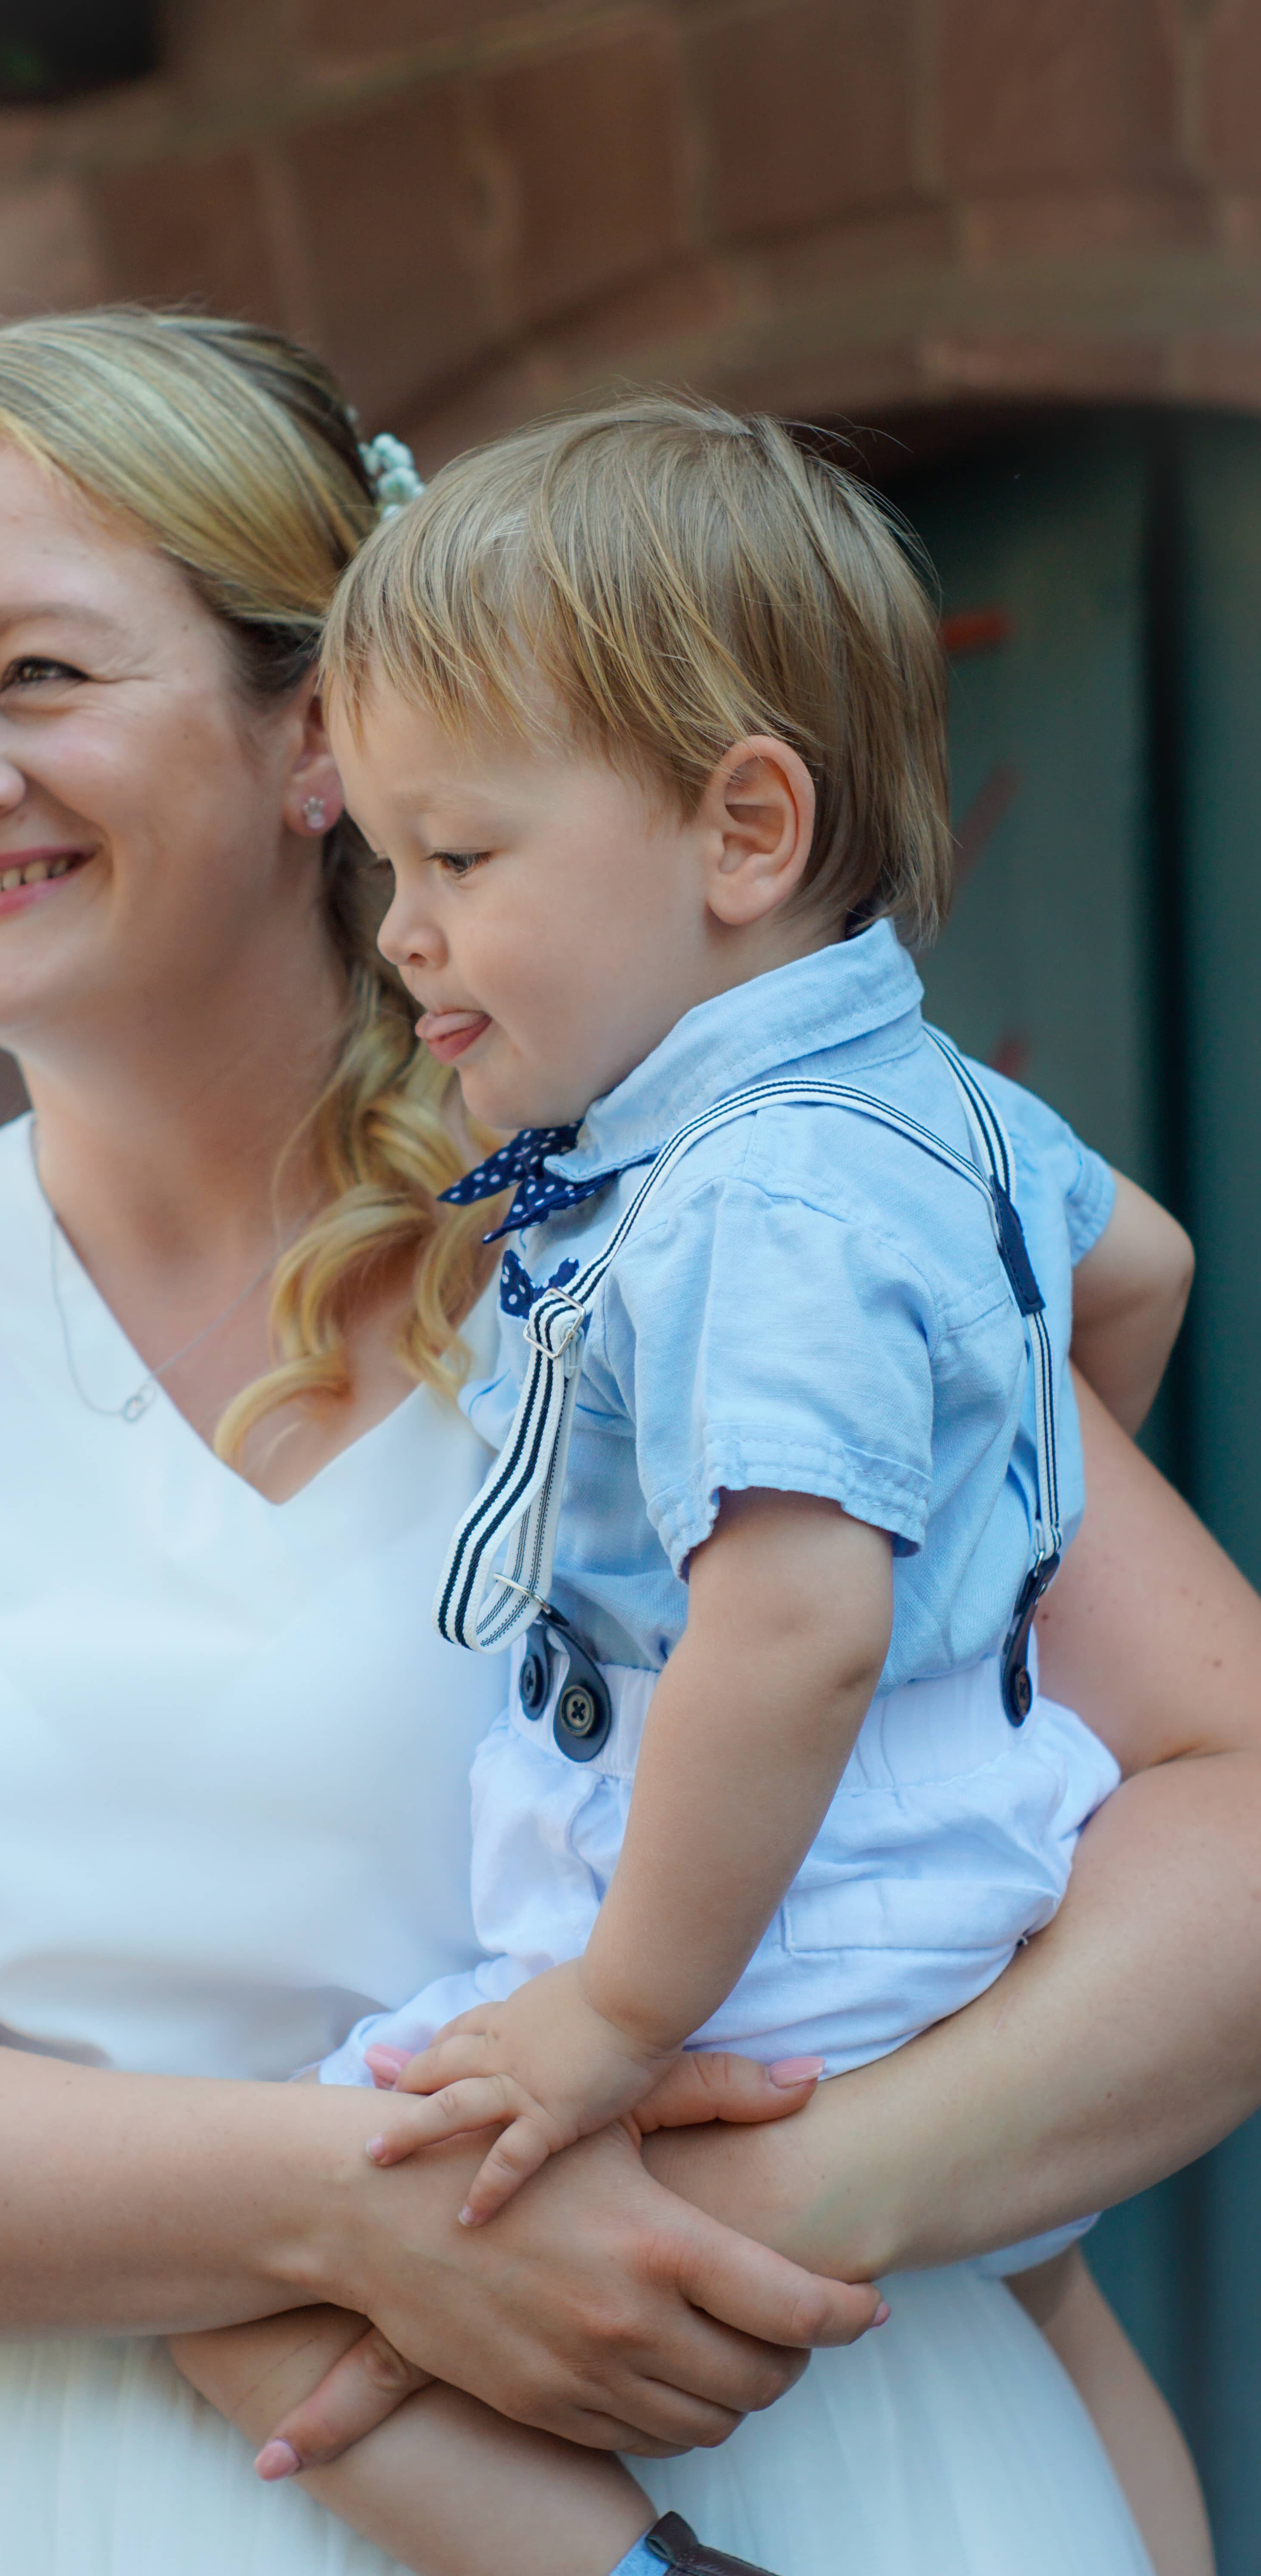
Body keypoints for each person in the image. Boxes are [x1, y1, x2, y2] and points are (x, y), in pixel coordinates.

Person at [0, 308, 1248, 2576]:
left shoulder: (711, 1225)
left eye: (40, 675)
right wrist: (372, 2231)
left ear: (317, 744)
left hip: (796, 2470)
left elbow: (1226, 1812)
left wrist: (731, 2226)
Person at [165, 399, 1203, 2576]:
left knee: (253, 2258)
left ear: (742, 832)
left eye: (459, 861)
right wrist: (995, 1534)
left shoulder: (757, 1202)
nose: (401, 936)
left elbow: (797, 1627)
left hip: (767, 1932)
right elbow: (1138, 1273)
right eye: (391, 871)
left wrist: (613, 2013)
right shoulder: (916, 1088)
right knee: (1044, 2295)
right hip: (964, 1862)